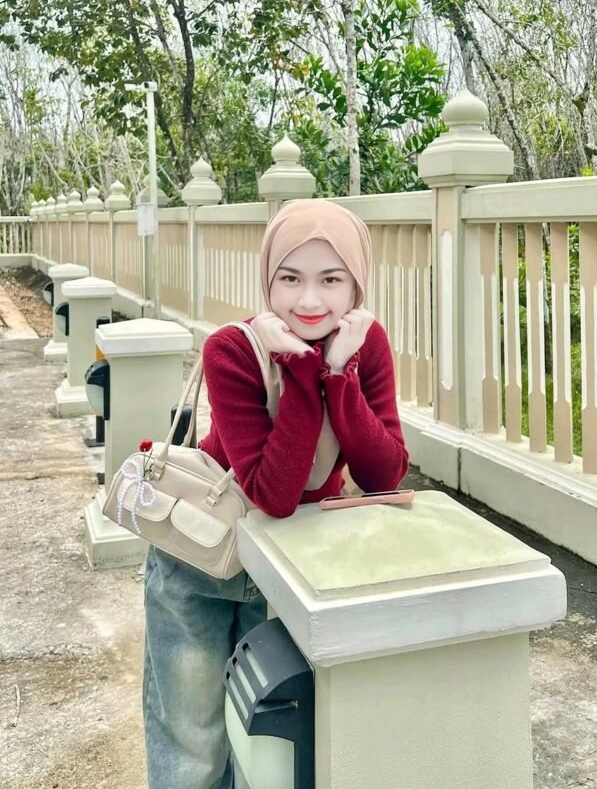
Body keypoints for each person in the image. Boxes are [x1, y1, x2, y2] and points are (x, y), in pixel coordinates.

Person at [142, 199, 409, 789]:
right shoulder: (232, 350)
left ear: (356, 286)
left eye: (331, 280)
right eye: (290, 279)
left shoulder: (365, 344)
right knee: (192, 742)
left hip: (290, 568)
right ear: (268, 280)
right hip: (202, 557)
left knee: (265, 746)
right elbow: (273, 493)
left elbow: (385, 473)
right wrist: (301, 370)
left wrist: (339, 374)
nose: (309, 300)